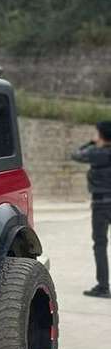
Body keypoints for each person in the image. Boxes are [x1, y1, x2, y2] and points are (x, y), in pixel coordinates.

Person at [72, 120, 111, 298]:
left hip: (101, 205)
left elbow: (76, 154)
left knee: (100, 244)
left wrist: (91, 142)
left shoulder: (97, 153)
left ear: (101, 135)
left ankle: (103, 286)